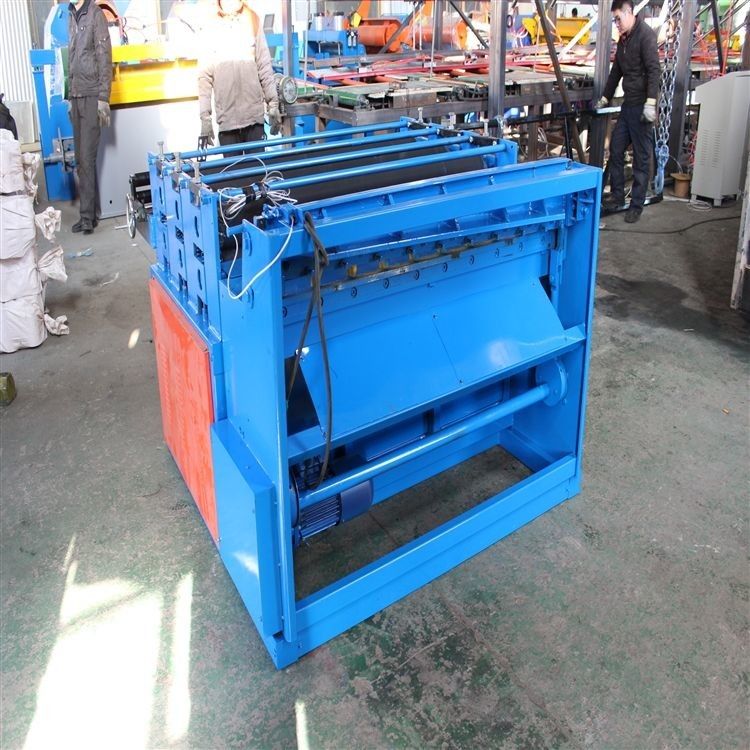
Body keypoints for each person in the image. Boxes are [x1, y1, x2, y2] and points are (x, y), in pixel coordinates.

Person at [595, 0, 660, 223]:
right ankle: (617, 195)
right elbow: (616, 72)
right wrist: (605, 97)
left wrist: (651, 102)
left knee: (641, 158)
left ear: (629, 12)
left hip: (642, 105)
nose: (617, 24)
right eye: (614, 20)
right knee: (615, 149)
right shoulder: (624, 40)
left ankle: (636, 205)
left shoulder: (646, 36)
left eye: (618, 19)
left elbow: (654, 71)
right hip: (628, 104)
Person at [198, 0, 281, 150]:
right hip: (227, 122)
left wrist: (273, 104)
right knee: (232, 167)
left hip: (254, 120)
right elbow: (204, 76)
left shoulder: (252, 19)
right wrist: (205, 118)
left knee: (257, 165)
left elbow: (264, 66)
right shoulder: (210, 25)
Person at [67, 0, 112, 235]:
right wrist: (69, 95)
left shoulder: (95, 14)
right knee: (80, 160)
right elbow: (72, 57)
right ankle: (89, 215)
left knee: (86, 157)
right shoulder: (71, 15)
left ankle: (87, 218)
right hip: (76, 95)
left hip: (92, 95)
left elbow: (105, 57)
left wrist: (104, 98)